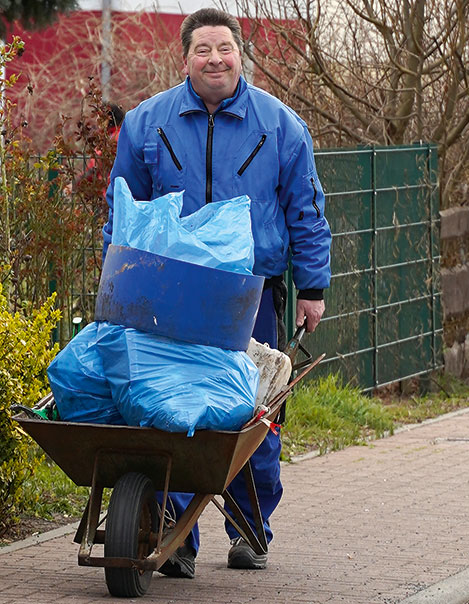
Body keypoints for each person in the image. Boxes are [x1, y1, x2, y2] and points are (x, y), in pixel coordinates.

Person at [101, 8, 332, 577]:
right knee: (168, 410)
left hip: (246, 295)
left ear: (239, 55)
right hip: (166, 297)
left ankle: (251, 530)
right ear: (185, 59)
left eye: (224, 48)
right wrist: (116, 276)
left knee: (251, 417)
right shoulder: (147, 124)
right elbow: (122, 207)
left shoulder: (279, 126)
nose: (215, 60)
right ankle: (176, 536)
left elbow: (306, 211)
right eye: (202, 50)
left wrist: (313, 286)